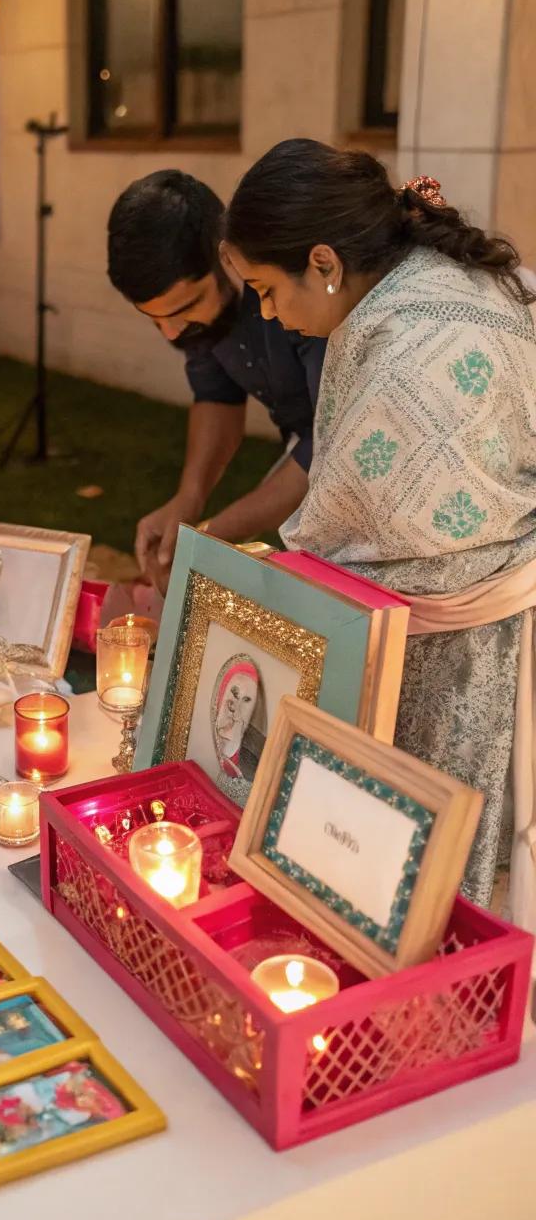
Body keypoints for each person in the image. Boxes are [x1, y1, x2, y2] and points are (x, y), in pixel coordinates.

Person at [221, 137, 536, 918]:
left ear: (324, 264)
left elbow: (347, 536)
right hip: (498, 601)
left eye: (265, 288)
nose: (266, 312)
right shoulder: (429, 280)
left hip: (464, 639)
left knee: (406, 880)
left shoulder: (403, 351)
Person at [107, 170, 326, 589]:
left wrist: (210, 537)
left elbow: (328, 449)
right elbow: (216, 395)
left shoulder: (297, 297)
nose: (172, 333)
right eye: (154, 319)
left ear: (226, 257)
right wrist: (188, 499)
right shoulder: (196, 317)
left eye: (183, 308)